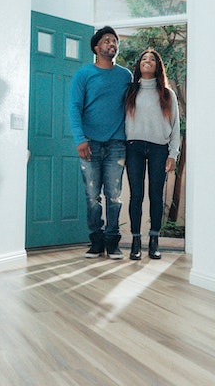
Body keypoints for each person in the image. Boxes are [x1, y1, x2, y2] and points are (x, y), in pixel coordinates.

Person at [69, 26, 133, 259]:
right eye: (106, 41)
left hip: (117, 143)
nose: (112, 44)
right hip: (89, 144)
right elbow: (74, 108)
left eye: (115, 41)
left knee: (114, 196)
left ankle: (112, 240)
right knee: (92, 195)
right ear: (96, 48)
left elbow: (132, 107)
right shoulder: (84, 74)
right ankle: (96, 240)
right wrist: (80, 140)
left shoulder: (125, 75)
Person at [124, 48, 180, 260]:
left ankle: (154, 241)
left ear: (158, 66)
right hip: (133, 148)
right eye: (144, 59)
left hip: (159, 149)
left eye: (152, 59)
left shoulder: (168, 94)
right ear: (139, 66)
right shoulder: (130, 91)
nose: (147, 61)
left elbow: (175, 127)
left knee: (156, 196)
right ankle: (136, 242)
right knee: (136, 195)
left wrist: (173, 154)